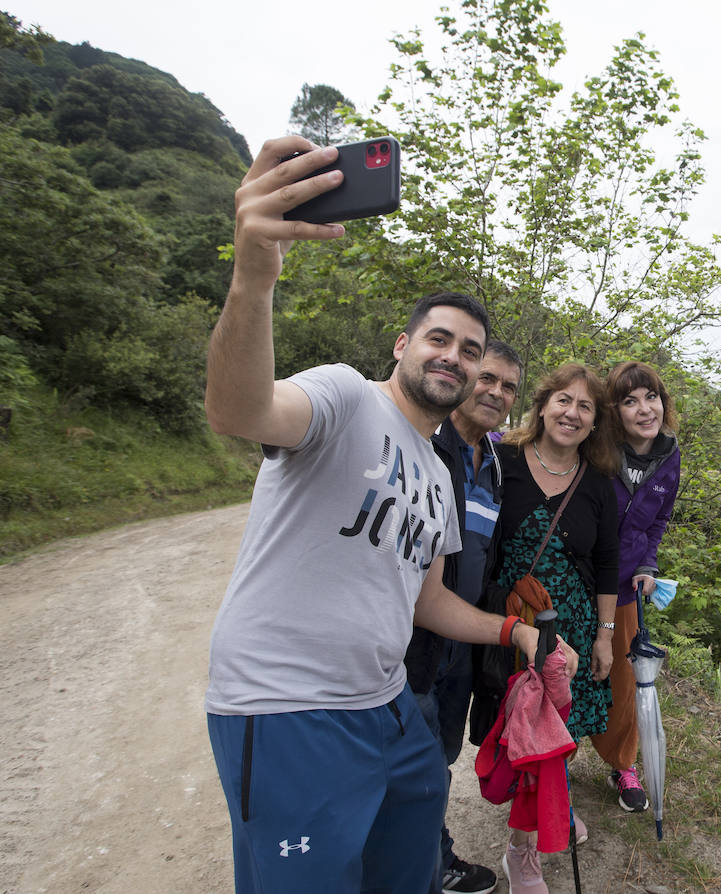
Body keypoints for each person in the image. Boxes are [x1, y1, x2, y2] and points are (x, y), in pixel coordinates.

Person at [203, 135, 571, 894]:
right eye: (439, 338)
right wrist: (254, 275)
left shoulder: (440, 476)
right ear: (403, 345)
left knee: (407, 855)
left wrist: (518, 632)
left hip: (386, 704)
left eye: (470, 350)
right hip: (286, 707)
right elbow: (240, 409)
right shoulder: (346, 397)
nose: (456, 358)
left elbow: (429, 601)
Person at [491, 363, 621, 894]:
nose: (572, 413)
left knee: (559, 730)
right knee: (526, 731)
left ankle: (553, 807)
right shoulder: (501, 464)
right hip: (512, 624)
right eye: (563, 401)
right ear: (542, 406)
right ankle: (522, 852)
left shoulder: (598, 483)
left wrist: (605, 634)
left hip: (573, 625)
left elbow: (608, 561)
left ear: (594, 424)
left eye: (585, 407)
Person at [404, 341, 523, 894]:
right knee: (415, 764)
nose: (496, 393)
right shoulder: (425, 444)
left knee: (442, 756)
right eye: (489, 379)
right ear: (467, 376)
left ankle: (431, 858)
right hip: (413, 640)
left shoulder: (493, 462)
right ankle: (424, 867)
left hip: (463, 639)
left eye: (509, 387)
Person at [589, 361, 682, 813]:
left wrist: (648, 563)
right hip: (581, 580)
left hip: (626, 586)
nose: (645, 409)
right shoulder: (600, 450)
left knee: (625, 685)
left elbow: (659, 520)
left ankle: (623, 763)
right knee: (564, 671)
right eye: (630, 401)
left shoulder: (670, 455)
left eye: (652, 397)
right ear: (616, 411)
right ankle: (552, 762)